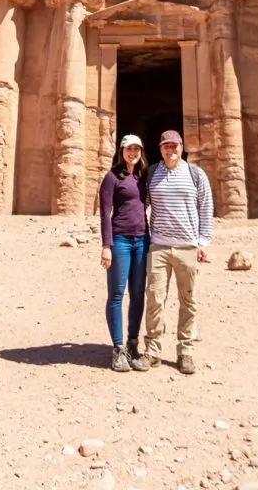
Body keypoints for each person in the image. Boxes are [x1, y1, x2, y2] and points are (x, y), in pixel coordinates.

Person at [143, 129, 214, 375]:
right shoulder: (152, 173)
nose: (170, 150)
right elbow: (142, 205)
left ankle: (185, 352)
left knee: (188, 301)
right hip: (159, 246)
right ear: (160, 148)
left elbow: (206, 207)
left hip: (187, 247)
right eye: (165, 146)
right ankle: (152, 351)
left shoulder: (196, 174)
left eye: (174, 145)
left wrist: (203, 241)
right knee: (154, 298)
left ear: (182, 146)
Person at [99, 134, 151, 373]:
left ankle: (132, 345)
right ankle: (118, 349)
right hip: (120, 241)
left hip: (142, 240)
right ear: (121, 151)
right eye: (129, 149)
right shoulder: (111, 178)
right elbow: (105, 213)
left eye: (136, 149)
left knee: (138, 294)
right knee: (117, 294)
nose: (133, 153)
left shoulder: (143, 177)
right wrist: (106, 245)